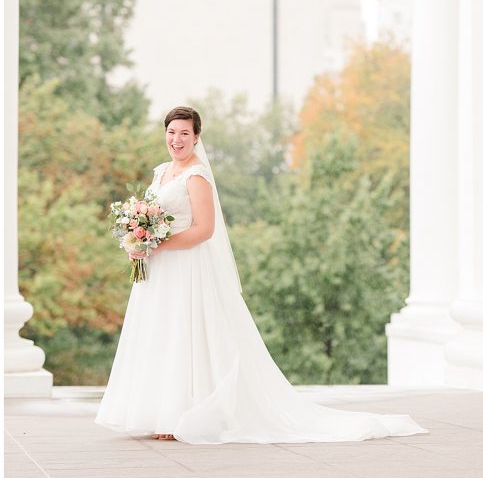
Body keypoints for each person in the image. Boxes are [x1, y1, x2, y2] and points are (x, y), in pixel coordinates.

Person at [95, 106, 426, 444]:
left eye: (184, 133)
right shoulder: (162, 171)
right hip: (159, 272)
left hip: (187, 268)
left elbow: (205, 230)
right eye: (171, 132)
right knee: (161, 334)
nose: (176, 139)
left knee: (185, 334)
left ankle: (182, 415)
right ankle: (159, 411)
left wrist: (156, 245)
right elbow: (153, 218)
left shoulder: (195, 175)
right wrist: (138, 238)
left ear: (196, 137)